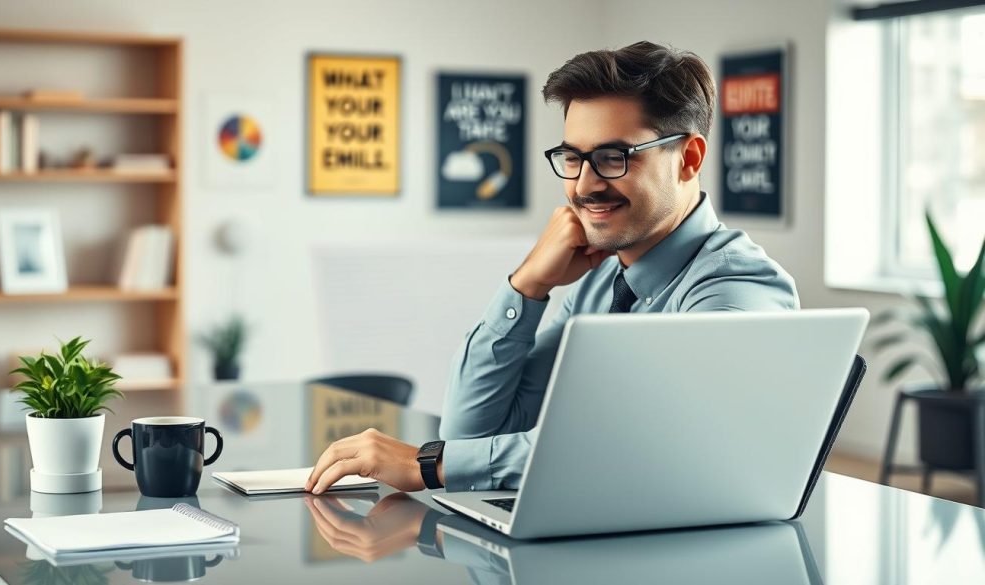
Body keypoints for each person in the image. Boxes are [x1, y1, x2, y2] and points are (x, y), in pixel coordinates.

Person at [305, 41, 799, 495]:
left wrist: (428, 465)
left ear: (688, 158)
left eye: (612, 157)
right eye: (572, 157)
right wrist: (528, 285)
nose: (584, 185)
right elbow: (471, 431)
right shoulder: (604, 282)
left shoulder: (737, 289)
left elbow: (650, 445)